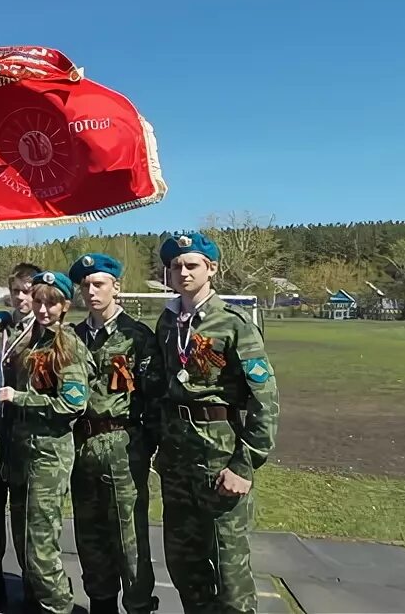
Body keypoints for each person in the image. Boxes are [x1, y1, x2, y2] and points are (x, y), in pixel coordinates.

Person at [154, 232, 280, 614]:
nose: (183, 272)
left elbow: (266, 400)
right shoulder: (167, 322)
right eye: (176, 266)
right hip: (177, 461)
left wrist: (244, 465)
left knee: (229, 569)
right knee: (184, 561)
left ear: (212, 268)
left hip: (219, 457)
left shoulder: (233, 323)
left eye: (192, 265)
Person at [68, 253, 162, 614]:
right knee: (89, 535)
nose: (91, 292)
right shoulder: (73, 337)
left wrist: (146, 447)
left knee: (130, 539)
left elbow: (153, 398)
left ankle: (138, 604)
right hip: (83, 446)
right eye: (86, 286)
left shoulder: (137, 336)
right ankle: (100, 603)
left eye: (99, 284)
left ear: (116, 287)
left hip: (124, 446)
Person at [0, 271, 94, 614]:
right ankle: (35, 602)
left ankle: (57, 606)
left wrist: (20, 398)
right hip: (22, 451)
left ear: (65, 306)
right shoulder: (31, 341)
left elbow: (73, 405)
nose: (42, 308)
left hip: (49, 454)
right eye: (38, 301)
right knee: (23, 542)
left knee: (40, 545)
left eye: (50, 302)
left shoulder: (66, 346)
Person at [0, 262, 41, 612]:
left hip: (26, 434)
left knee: (25, 515)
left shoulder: (48, 332)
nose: (22, 298)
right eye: (16, 291)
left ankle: (32, 584)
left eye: (28, 291)